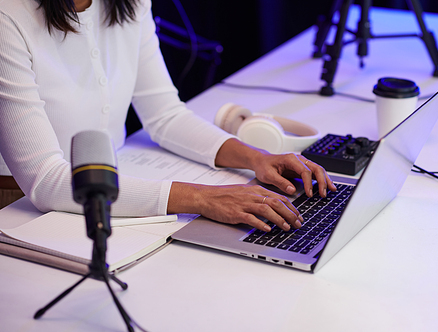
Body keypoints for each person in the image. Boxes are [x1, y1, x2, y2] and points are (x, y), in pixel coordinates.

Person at [0, 0, 336, 232]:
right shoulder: (8, 15)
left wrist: (258, 158)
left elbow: (164, 114)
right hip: (21, 207)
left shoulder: (129, 4)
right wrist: (202, 198)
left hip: (114, 185)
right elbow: (44, 180)